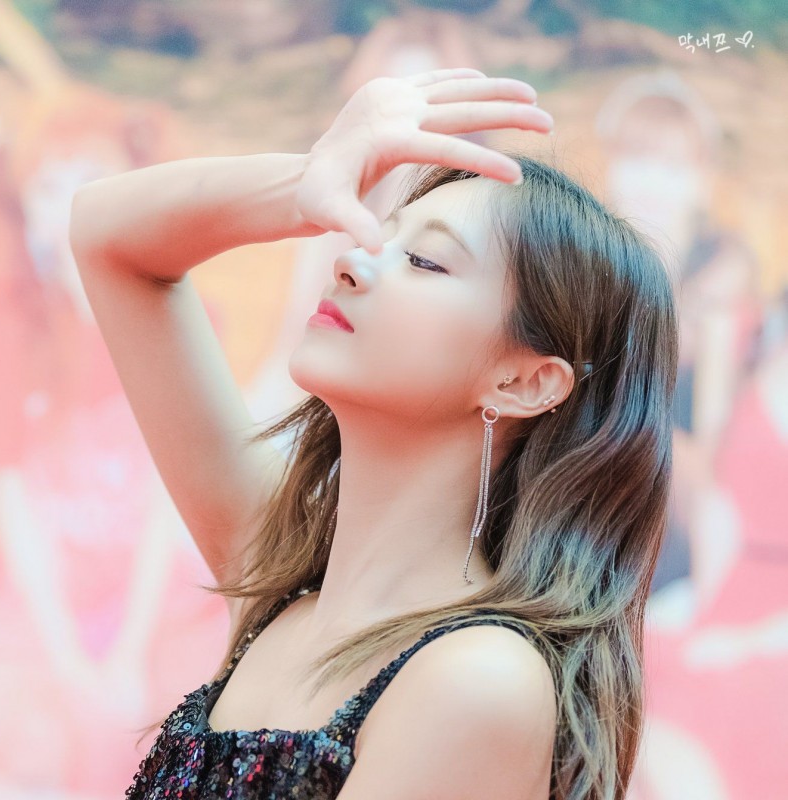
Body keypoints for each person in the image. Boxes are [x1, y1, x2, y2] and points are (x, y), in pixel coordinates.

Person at [69, 68, 678, 800]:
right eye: (376, 233)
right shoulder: (275, 582)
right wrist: (304, 182)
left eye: (424, 260)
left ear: (523, 382)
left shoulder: (477, 679)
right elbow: (106, 235)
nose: (351, 259)